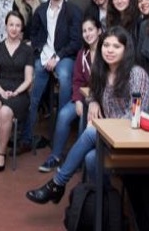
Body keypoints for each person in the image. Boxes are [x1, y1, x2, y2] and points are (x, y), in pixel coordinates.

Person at [26, 27, 149, 204]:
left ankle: (57, 184)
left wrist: (104, 128)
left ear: (126, 50)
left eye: (116, 46)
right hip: (114, 136)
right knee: (90, 159)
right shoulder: (102, 71)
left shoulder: (136, 74)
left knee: (89, 132)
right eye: (106, 45)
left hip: (138, 136)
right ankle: (106, 206)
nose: (109, 50)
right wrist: (93, 101)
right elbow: (94, 90)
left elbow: (134, 115)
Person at [21, 0, 82, 153]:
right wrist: (41, 52)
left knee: (64, 78)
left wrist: (57, 57)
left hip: (64, 57)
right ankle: (26, 138)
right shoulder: (40, 10)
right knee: (33, 94)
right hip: (43, 56)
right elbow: (35, 35)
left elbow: (75, 42)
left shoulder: (73, 11)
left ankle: (60, 132)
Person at [38, 17, 102, 173]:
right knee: (64, 114)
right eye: (84, 31)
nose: (87, 34)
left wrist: (93, 100)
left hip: (100, 101)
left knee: (84, 121)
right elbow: (77, 80)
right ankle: (55, 156)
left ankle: (78, 161)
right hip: (84, 96)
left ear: (99, 31)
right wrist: (78, 100)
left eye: (91, 29)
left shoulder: (107, 51)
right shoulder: (82, 53)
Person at [0, 11, 33, 173]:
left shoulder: (27, 50)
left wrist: (15, 92)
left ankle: (1, 153)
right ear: (5, 26)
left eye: (18, 25)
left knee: (5, 111)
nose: (14, 28)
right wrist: (1, 91)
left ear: (22, 28)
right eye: (11, 24)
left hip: (19, 93)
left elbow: (28, 79)